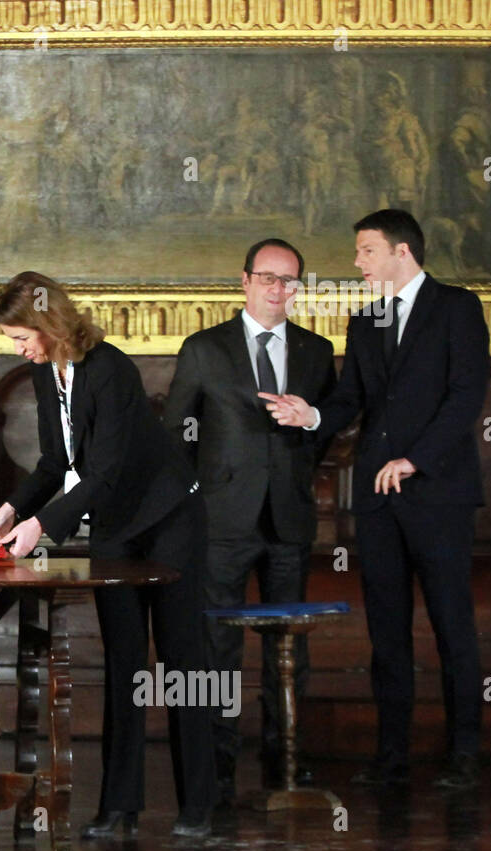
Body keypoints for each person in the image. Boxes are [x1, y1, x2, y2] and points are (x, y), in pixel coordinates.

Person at [0, 272, 217, 837]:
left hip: (169, 518)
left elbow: (105, 470)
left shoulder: (110, 368)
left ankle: (199, 807)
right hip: (116, 525)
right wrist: (12, 509)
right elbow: (56, 464)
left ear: (49, 322)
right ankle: (119, 809)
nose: (18, 349)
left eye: (21, 337)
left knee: (184, 663)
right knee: (124, 664)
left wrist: (42, 525)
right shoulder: (44, 373)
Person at [259, 209, 489, 790]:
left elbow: (465, 396)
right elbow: (349, 401)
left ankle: (464, 756)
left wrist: (414, 460)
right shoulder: (366, 322)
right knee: (386, 632)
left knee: (451, 626)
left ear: (401, 252)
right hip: (379, 501)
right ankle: (392, 759)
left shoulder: (458, 308)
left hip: (438, 494)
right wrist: (309, 414)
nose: (357, 263)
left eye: (366, 251)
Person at [163, 238, 337, 805]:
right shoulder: (204, 348)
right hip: (221, 520)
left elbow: (331, 427)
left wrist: (309, 423)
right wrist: (196, 497)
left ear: (298, 288)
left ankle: (285, 758)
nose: (276, 288)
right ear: (244, 281)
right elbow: (176, 434)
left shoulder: (317, 350)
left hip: (289, 516)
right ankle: (216, 764)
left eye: (288, 280)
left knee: (290, 647)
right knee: (218, 645)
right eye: (267, 276)